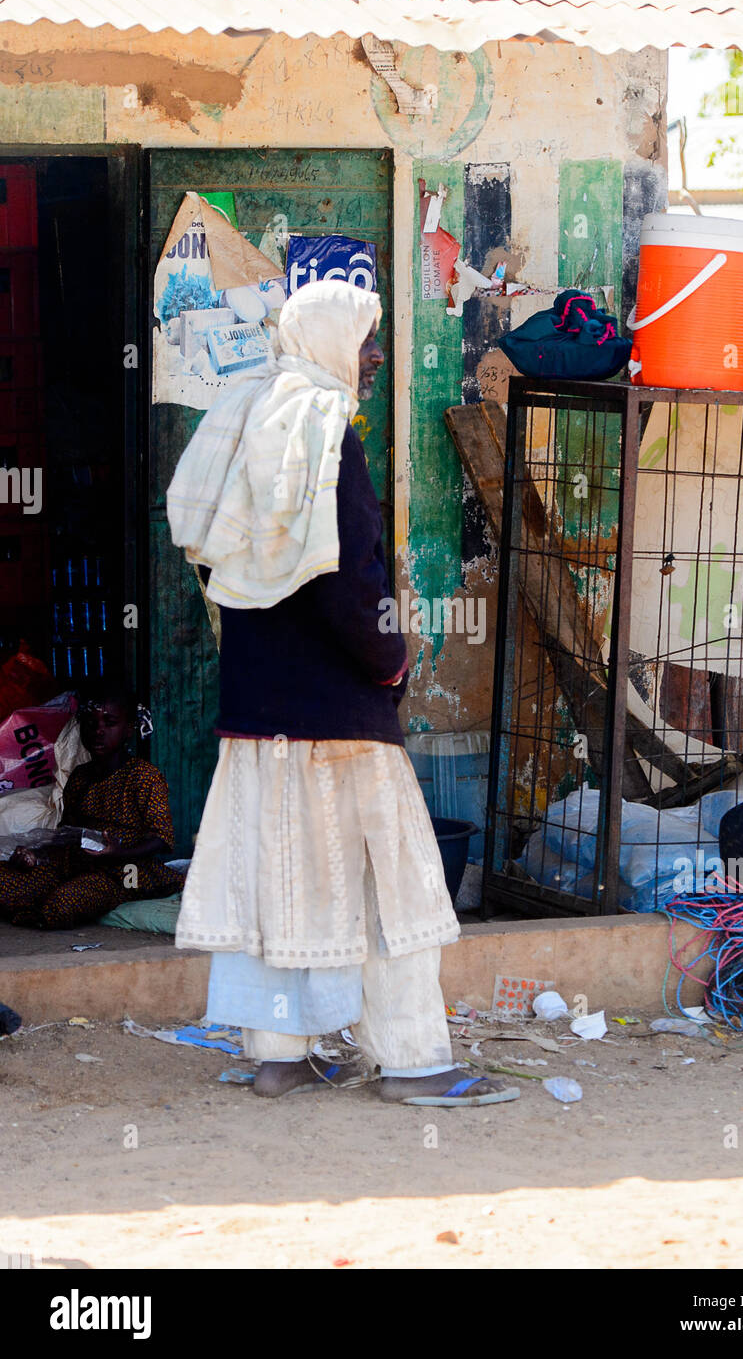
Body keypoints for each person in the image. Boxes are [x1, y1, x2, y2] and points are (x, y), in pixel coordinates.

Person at [168, 279, 518, 1106]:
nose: (373, 355)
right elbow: (350, 579)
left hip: (261, 715)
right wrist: (390, 660)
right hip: (337, 717)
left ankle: (279, 1057)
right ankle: (414, 1064)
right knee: (386, 889)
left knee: (280, 881)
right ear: (328, 344)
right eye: (364, 339)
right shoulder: (328, 433)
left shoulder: (253, 418)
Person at [0, 683, 183, 928]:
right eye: (91, 723)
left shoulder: (144, 776)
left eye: (110, 723)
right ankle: (38, 902)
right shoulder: (80, 776)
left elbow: (162, 839)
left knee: (63, 905)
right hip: (77, 863)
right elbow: (66, 834)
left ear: (128, 729)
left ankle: (38, 909)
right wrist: (36, 856)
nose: (98, 731)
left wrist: (118, 853)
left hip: (126, 869)